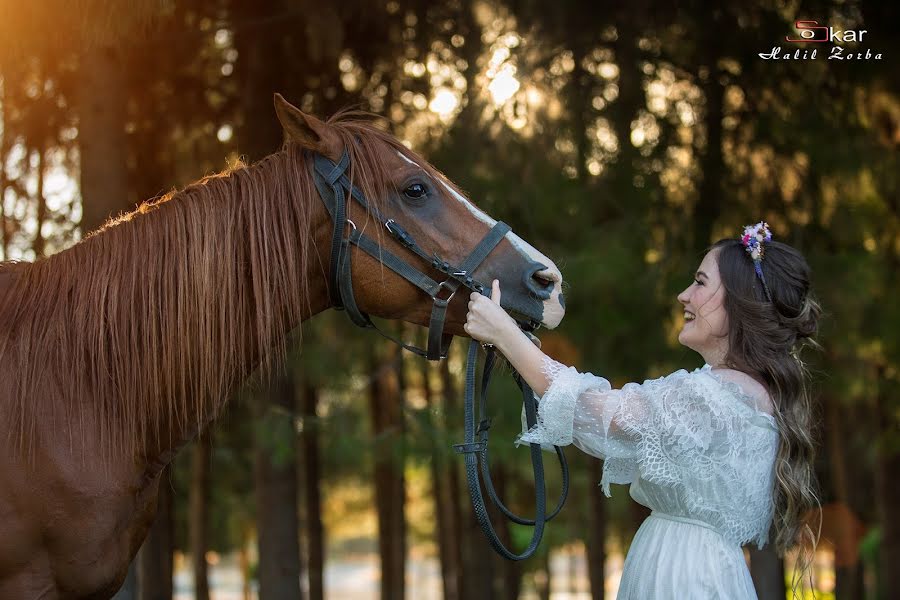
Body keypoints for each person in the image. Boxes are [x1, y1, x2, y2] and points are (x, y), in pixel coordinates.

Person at [464, 222, 821, 599]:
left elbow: (598, 412)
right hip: (688, 569)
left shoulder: (715, 396)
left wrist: (505, 333)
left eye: (700, 283)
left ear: (739, 299)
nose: (684, 296)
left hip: (685, 579)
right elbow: (598, 419)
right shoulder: (740, 393)